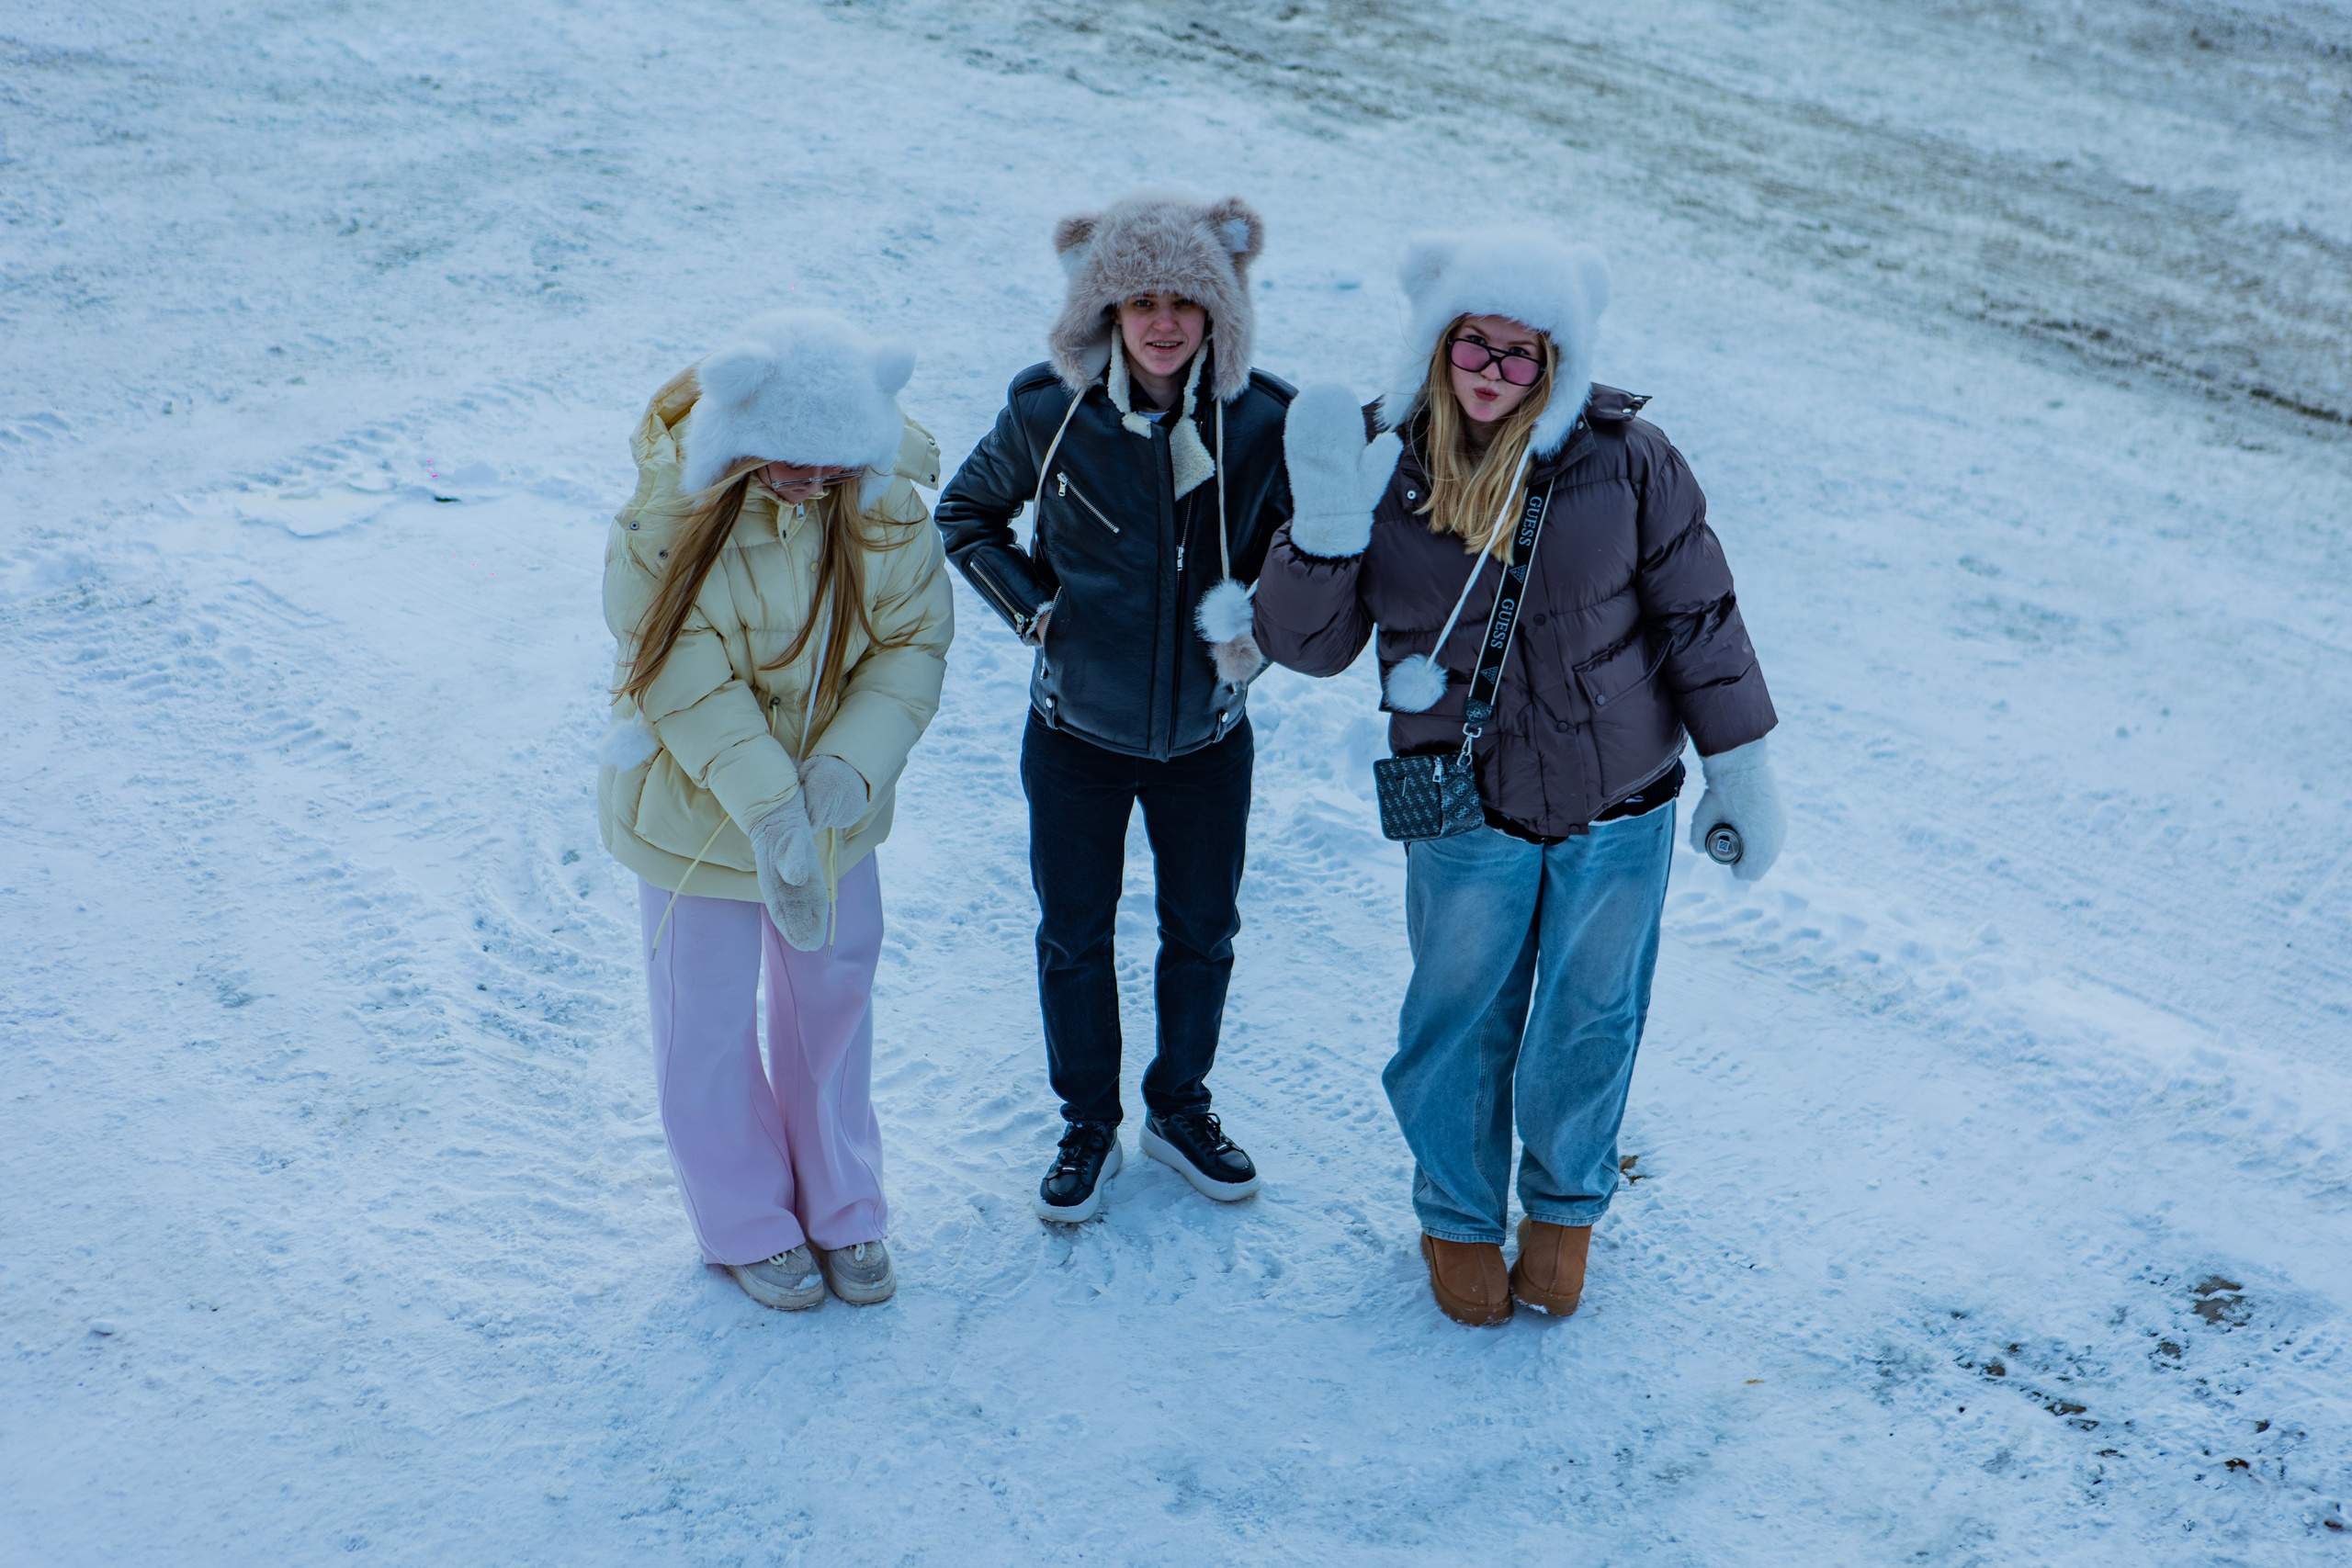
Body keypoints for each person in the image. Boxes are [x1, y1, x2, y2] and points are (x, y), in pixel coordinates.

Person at [1253, 229, 1786, 1325]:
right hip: (1463, 805)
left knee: (1592, 1017)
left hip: (1620, 800)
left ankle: (1562, 1213)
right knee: (1457, 1021)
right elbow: (1308, 650)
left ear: (1558, 361)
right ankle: (1455, 1217)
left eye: (1520, 354)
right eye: (1473, 346)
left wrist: (1738, 766)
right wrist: (1319, 538)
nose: (1493, 372)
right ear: (1437, 342)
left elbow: (1701, 618)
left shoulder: (1629, 460)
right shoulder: (1374, 455)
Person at [934, 190, 1296, 1224]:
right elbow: (964, 514)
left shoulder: (1264, 420)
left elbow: (1308, 552)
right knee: (1073, 936)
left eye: (1186, 297)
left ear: (1219, 308)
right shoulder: (1049, 414)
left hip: (1205, 741)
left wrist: (1260, 621)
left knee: (1202, 932)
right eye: (1139, 298)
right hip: (1074, 738)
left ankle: (1178, 1108)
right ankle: (1087, 1122)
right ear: (1104, 310)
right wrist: (1037, 613)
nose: (1163, 320)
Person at [596, 308, 954, 1310]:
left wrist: (847, 769)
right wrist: (767, 807)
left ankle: (843, 1203)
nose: (807, 485)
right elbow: (682, 678)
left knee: (832, 999)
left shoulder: (880, 505)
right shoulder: (666, 524)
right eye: (785, 464)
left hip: (833, 812)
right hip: (696, 812)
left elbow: (910, 643)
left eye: (827, 466)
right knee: (704, 1019)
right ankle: (743, 1218)